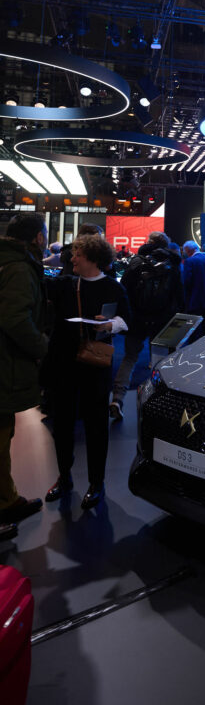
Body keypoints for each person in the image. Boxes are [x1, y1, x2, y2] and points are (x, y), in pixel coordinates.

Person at [44, 234, 130, 509]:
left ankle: (96, 482)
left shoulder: (113, 288)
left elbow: (127, 319)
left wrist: (111, 324)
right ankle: (64, 477)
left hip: (95, 365)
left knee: (96, 425)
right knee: (62, 424)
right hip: (64, 363)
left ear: (93, 258)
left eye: (78, 254)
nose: (72, 258)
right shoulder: (65, 284)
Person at [0, 213, 49, 540]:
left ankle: (7, 500)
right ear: (37, 237)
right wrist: (42, 346)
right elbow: (15, 318)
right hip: (5, 365)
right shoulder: (18, 268)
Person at [109, 231, 184, 421]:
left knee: (129, 358)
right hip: (162, 321)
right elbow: (179, 295)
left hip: (136, 320)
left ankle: (117, 398)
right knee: (160, 363)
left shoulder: (136, 262)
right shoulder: (172, 264)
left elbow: (123, 289)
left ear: (148, 242)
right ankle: (159, 405)